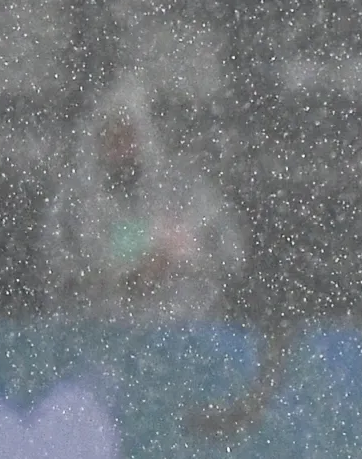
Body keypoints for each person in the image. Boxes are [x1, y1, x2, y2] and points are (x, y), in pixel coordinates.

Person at [43, 74, 243, 320]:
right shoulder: (75, 202)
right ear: (95, 141)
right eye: (110, 138)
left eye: (128, 135)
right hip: (99, 335)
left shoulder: (186, 192)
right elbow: (55, 270)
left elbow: (230, 257)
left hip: (183, 333)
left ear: (146, 136)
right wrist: (119, 279)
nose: (120, 148)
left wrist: (177, 261)